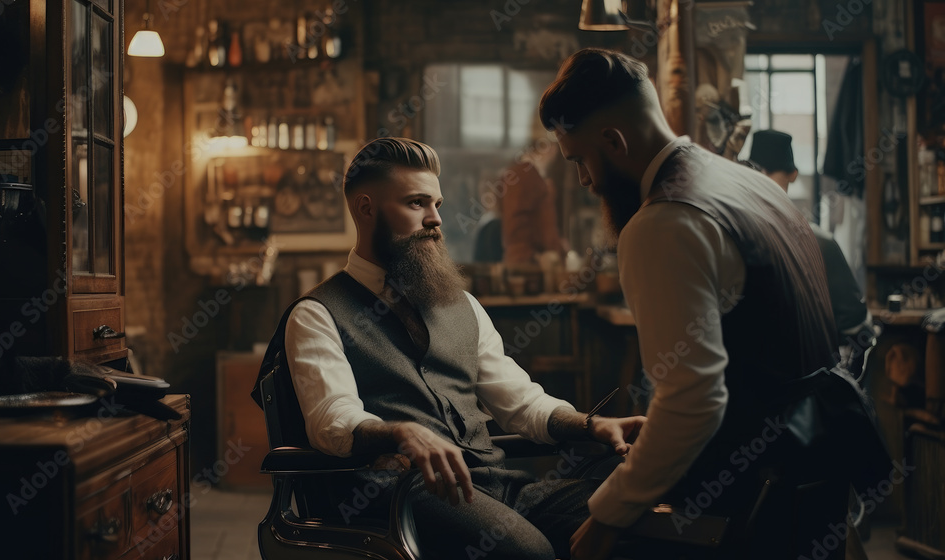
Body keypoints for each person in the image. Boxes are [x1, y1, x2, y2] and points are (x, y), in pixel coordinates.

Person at [538, 49, 872, 559]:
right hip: (811, 469)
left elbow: (693, 403)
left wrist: (609, 516)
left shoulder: (663, 222)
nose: (585, 180)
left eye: (581, 160)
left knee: (546, 521)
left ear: (613, 140)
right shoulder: (752, 184)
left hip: (742, 502)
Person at [255, 137, 645, 560]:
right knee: (528, 553)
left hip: (497, 484)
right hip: (399, 495)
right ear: (366, 209)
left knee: (628, 519)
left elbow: (521, 403)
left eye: (436, 203)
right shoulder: (317, 314)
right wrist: (402, 433)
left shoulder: (463, 306)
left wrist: (590, 425)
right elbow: (332, 422)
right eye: (416, 203)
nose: (435, 219)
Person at [748, 129, 873, 354]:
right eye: (761, 173)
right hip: (804, 375)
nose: (764, 181)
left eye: (769, 172)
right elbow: (854, 323)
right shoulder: (818, 242)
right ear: (793, 174)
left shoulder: (734, 237)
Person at [499, 125, 565, 266]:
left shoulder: (530, 176)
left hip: (534, 265)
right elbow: (516, 232)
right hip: (528, 268)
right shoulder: (524, 175)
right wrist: (537, 258)